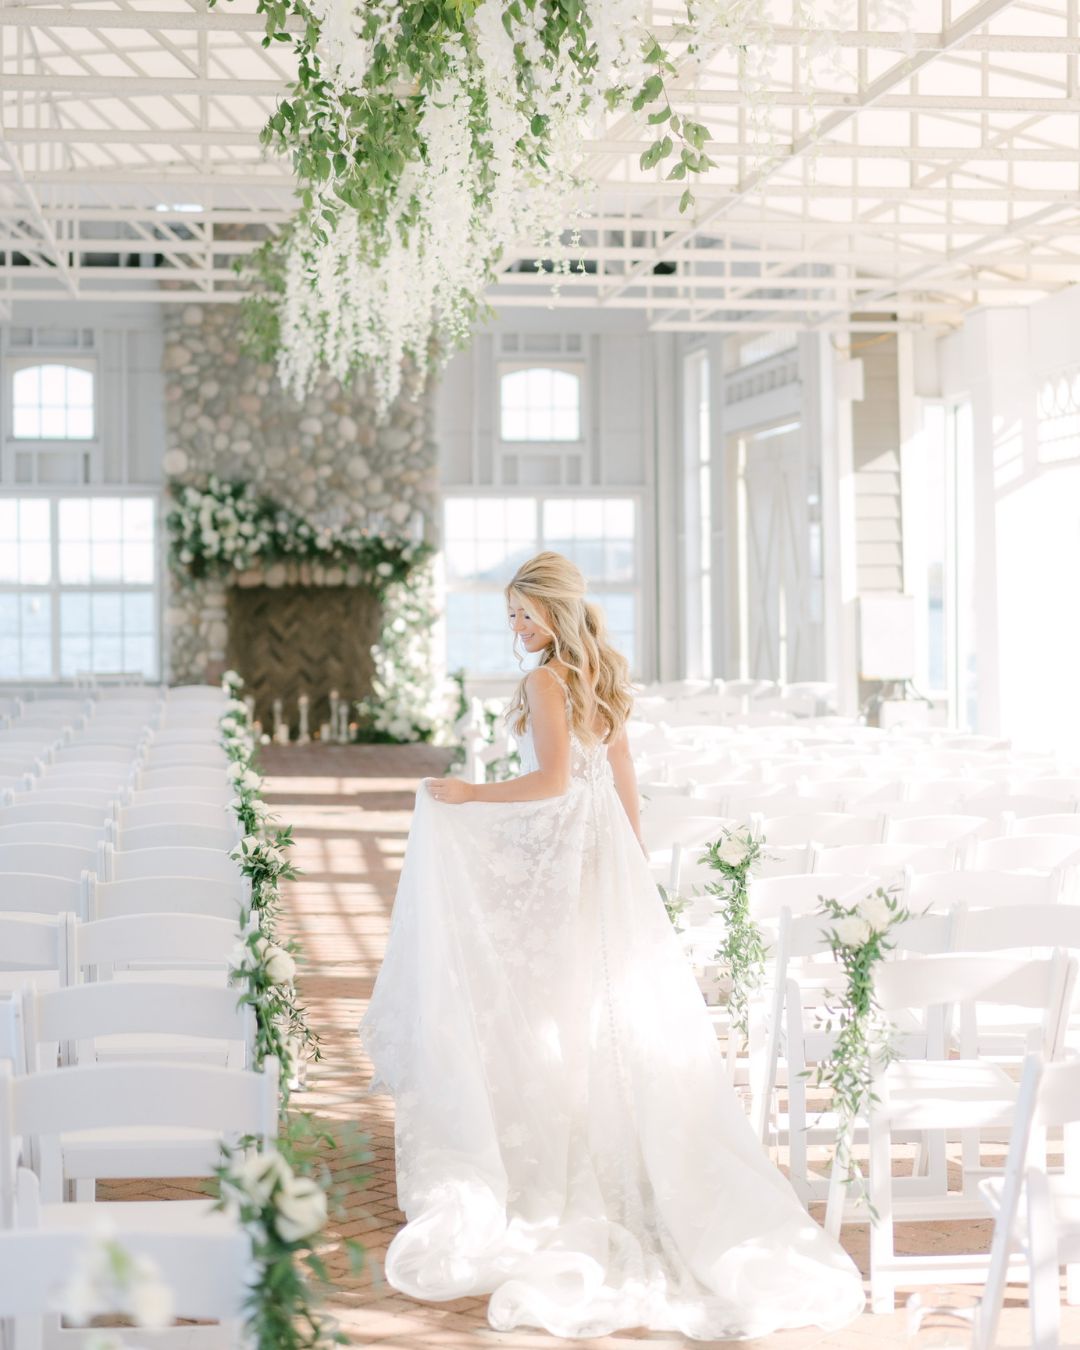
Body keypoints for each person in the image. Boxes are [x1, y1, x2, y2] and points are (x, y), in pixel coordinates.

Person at [360, 551, 865, 1340]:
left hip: (578, 859)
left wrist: (468, 794)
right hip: (607, 864)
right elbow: (622, 785)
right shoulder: (597, 676)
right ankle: (617, 1145)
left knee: (568, 1010)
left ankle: (578, 1155)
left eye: (526, 615)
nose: (518, 629)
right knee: (600, 1012)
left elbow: (554, 782)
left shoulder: (547, 681)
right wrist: (626, 866)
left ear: (554, 613)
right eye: (511, 618)